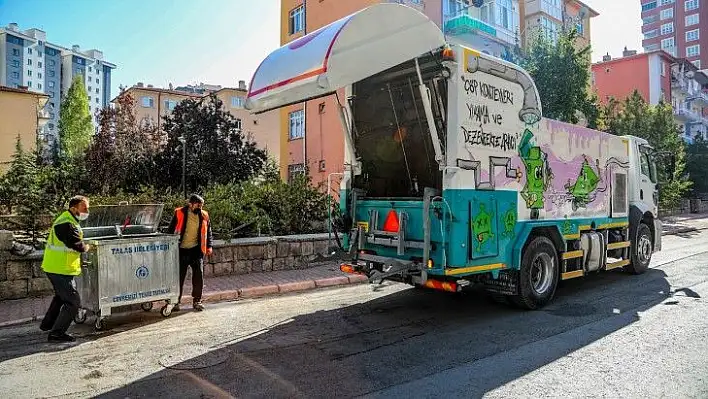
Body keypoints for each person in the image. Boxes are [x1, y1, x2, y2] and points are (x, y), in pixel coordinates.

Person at [40, 195, 91, 342]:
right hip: (59, 268)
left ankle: (47, 325)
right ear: (73, 208)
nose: (87, 211)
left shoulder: (70, 220)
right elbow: (76, 245)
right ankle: (57, 334)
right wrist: (87, 247)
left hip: (60, 267)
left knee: (61, 298)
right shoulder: (65, 223)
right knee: (73, 302)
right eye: (84, 208)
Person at [168, 194, 213, 311]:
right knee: (179, 277)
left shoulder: (204, 215)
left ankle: (197, 301)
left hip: (196, 250)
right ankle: (176, 302)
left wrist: (209, 246)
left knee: (198, 276)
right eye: (198, 205)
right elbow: (170, 230)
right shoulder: (179, 213)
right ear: (190, 204)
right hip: (181, 250)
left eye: (201, 206)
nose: (200, 208)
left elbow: (209, 232)